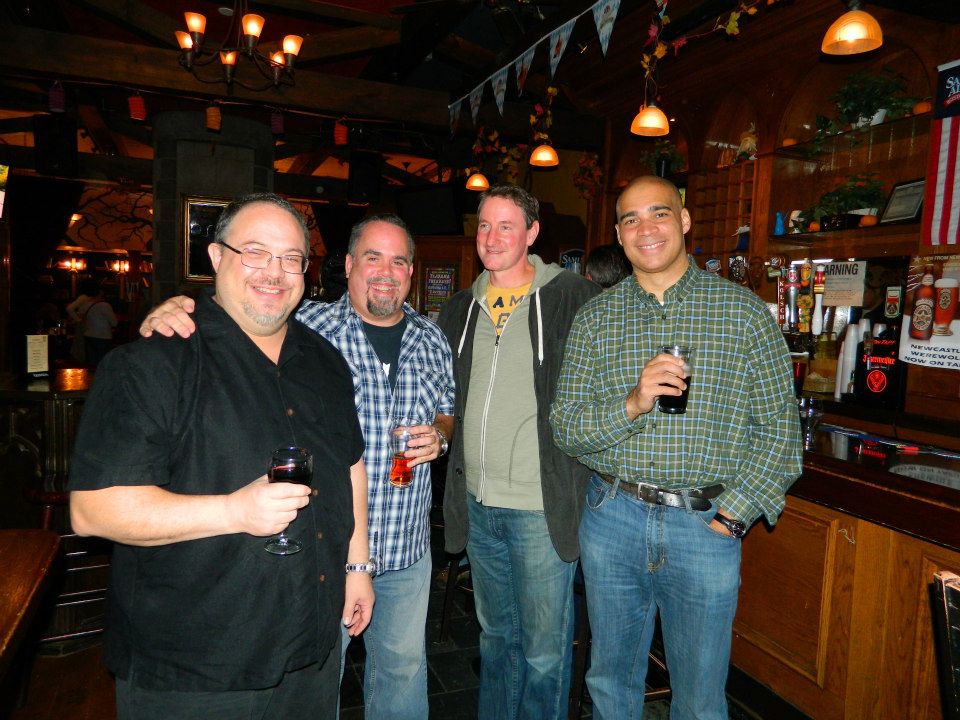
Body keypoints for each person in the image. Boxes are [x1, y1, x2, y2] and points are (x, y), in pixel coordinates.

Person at [67, 193, 374, 720]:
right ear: (215, 257)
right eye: (255, 252)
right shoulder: (153, 362)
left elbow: (349, 463)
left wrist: (358, 565)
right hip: (196, 668)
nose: (274, 272)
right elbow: (93, 510)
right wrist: (233, 511)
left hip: (310, 651)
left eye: (291, 258)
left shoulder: (325, 360)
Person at [139, 213, 455, 720]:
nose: (385, 272)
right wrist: (178, 308)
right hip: (323, 551)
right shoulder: (303, 326)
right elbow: (236, 315)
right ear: (347, 265)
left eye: (398, 261)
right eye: (372, 257)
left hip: (407, 545)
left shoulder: (432, 337)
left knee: (403, 671)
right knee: (317, 679)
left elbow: (447, 409)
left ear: (411, 272)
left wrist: (440, 434)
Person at [550, 176, 803, 720]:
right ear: (619, 235)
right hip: (612, 517)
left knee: (700, 698)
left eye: (659, 213)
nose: (646, 228)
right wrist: (633, 403)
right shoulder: (595, 318)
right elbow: (566, 427)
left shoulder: (743, 314)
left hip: (704, 525)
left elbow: (780, 436)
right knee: (610, 685)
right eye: (631, 219)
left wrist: (732, 517)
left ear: (684, 220)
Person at [435, 185, 600, 720]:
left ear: (532, 233)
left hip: (539, 507)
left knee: (544, 654)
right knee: (495, 639)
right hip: (478, 504)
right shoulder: (461, 307)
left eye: (506, 226)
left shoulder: (573, 297)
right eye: (484, 225)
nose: (492, 237)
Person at [66, 278, 118, 367]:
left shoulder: (87, 302)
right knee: (101, 362)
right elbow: (114, 323)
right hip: (101, 336)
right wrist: (78, 320)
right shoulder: (100, 304)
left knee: (90, 360)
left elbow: (75, 310)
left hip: (88, 333)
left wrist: (78, 318)